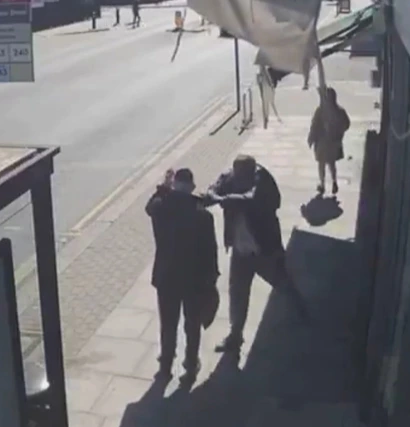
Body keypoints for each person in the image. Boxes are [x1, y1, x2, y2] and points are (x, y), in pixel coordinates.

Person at [205, 155, 308, 354]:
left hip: (264, 249)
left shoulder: (263, 181)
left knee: (281, 282)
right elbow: (211, 192)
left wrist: (224, 199)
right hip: (241, 250)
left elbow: (250, 200)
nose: (238, 181)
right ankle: (235, 336)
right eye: (236, 176)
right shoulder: (230, 178)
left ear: (252, 173)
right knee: (237, 294)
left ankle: (299, 311)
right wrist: (218, 197)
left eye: (242, 177)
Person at [146, 168, 219, 382]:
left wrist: (163, 186)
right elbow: (210, 251)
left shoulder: (160, 208)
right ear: (193, 188)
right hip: (194, 280)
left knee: (168, 324)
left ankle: (166, 366)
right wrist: (212, 278)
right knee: (192, 324)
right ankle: (190, 364)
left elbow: (149, 206)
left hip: (166, 277)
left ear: (174, 186)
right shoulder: (203, 215)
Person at [307, 87, 351, 196]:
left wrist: (311, 138)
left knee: (321, 164)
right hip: (333, 142)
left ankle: (322, 184)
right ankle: (334, 182)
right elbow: (346, 124)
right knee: (331, 164)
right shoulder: (339, 110)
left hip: (322, 141)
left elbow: (314, 125)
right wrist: (339, 133)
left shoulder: (321, 110)